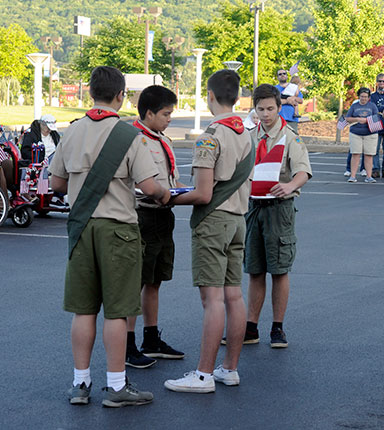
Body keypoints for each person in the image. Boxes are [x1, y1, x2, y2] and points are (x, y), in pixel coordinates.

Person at [49, 66, 171, 407]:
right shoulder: (127, 134)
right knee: (117, 311)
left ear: (90, 93)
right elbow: (149, 186)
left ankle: (80, 384)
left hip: (81, 228)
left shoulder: (70, 133)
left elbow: (56, 184)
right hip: (118, 230)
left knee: (83, 310)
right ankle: (116, 387)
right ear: (120, 96)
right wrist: (164, 193)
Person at [164, 70, 254, 393]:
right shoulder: (247, 133)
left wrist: (170, 198)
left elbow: (203, 194)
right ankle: (229, 368)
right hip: (238, 219)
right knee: (234, 295)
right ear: (238, 96)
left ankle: (202, 375)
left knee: (212, 299)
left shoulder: (210, 136)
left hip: (213, 222)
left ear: (210, 96)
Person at [242, 83, 312, 348]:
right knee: (255, 269)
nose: (266, 114)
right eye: (260, 109)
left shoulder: (289, 137)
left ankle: (277, 328)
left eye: (270, 108)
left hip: (278, 208)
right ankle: (250, 327)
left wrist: (291, 186)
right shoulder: (250, 136)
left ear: (279, 108)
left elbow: (303, 171)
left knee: (279, 269)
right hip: (254, 208)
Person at [125, 85, 185, 369]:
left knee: (155, 280)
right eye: (165, 113)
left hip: (164, 216)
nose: (169, 118)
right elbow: (137, 184)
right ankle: (127, 345)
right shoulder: (134, 139)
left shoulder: (163, 139)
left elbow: (170, 179)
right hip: (142, 216)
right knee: (134, 282)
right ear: (148, 113)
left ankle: (151, 338)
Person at [344, 87, 380, 183]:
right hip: (356, 133)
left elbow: (377, 118)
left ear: (369, 97)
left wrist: (367, 120)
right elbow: (347, 118)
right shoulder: (354, 106)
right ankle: (352, 176)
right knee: (355, 154)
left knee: (369, 155)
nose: (363, 98)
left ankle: (369, 176)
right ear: (359, 96)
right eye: (362, 96)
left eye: (365, 97)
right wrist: (357, 119)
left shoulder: (372, 106)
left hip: (370, 134)